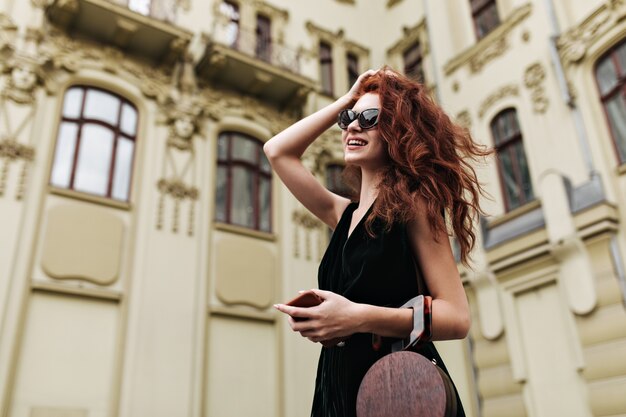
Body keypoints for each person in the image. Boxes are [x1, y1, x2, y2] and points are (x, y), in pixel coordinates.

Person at [265, 67, 488, 417]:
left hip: (396, 389)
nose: (353, 126)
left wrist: (356, 317)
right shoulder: (343, 215)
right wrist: (347, 99)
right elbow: (277, 150)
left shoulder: (416, 204)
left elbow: (457, 318)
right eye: (348, 119)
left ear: (397, 132)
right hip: (337, 387)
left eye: (369, 118)